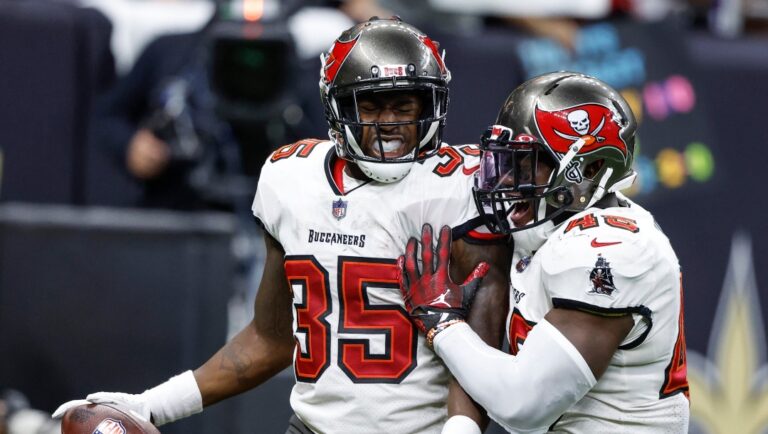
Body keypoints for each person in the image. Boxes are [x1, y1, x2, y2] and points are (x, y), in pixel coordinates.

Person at [54, 17, 511, 434]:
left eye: (405, 105)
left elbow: (483, 348)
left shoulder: (463, 188)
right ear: (336, 107)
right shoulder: (291, 178)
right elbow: (270, 337)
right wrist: (151, 405)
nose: (390, 124)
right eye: (371, 106)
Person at [398, 72, 690, 433]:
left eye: (525, 162)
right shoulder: (546, 226)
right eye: (505, 159)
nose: (506, 178)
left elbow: (523, 406)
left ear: (591, 168)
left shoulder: (611, 250)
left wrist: (442, 324)